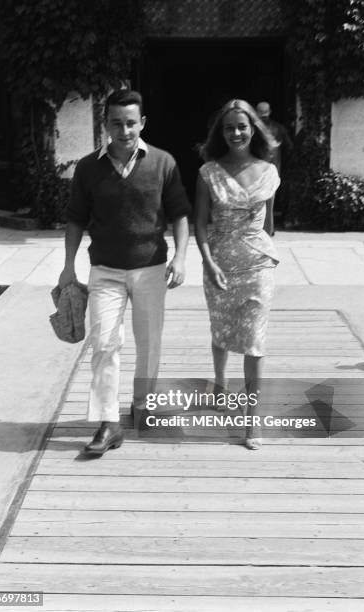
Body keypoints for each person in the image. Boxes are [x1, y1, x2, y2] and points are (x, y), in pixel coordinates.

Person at [58, 89, 191, 455]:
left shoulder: (163, 162)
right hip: (105, 270)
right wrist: (68, 268)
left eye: (131, 122)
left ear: (142, 123)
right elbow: (74, 221)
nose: (124, 130)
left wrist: (180, 257)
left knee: (149, 343)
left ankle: (143, 405)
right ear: (105, 125)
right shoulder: (87, 168)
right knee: (103, 345)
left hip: (150, 269)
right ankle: (108, 422)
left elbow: (180, 214)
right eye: (116, 122)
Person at [195, 99, 280, 450]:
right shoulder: (208, 172)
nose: (236, 133)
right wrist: (208, 261)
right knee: (222, 327)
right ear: (221, 132)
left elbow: (270, 225)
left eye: (242, 126)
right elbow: (200, 222)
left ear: (253, 129)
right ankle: (219, 381)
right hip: (219, 263)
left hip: (257, 264)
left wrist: (262, 251)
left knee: (254, 341)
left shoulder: (269, 171)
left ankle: (251, 419)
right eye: (229, 127)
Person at [256, 101, 293, 234]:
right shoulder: (279, 128)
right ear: (270, 112)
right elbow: (290, 147)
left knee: (260, 201)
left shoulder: (253, 129)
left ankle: (263, 229)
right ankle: (269, 229)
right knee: (270, 201)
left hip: (258, 170)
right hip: (273, 169)